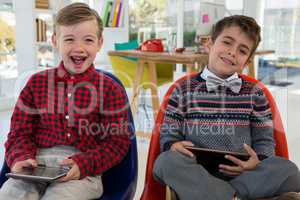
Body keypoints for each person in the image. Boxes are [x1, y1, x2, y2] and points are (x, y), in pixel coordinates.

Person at [153, 15, 300, 200]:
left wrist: (257, 161)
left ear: (246, 62)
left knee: (288, 170)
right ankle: (232, 196)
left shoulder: (255, 93)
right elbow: (169, 132)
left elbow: (265, 140)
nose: (232, 52)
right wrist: (173, 145)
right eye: (227, 42)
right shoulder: (182, 90)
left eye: (242, 50)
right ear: (209, 44)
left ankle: (227, 195)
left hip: (244, 174)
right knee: (165, 162)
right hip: (196, 172)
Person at [0, 3, 131, 200]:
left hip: (82, 171)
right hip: (36, 164)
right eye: (69, 39)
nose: (79, 48)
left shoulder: (110, 89)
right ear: (55, 41)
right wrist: (21, 158)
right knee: (10, 193)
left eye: (88, 40)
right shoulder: (36, 83)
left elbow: (117, 143)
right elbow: (19, 133)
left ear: (99, 43)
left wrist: (83, 165)